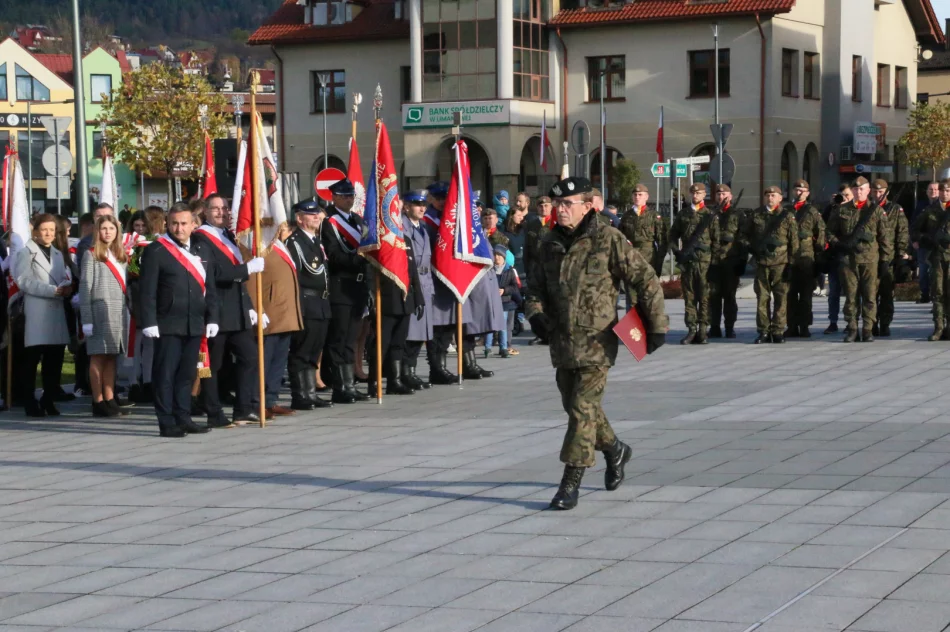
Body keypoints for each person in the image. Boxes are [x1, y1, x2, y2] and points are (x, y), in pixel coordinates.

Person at [526, 176, 668, 511]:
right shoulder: (549, 244)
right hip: (561, 342)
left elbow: (645, 278)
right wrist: (535, 314)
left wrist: (656, 324)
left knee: (581, 410)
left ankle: (570, 483)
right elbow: (535, 288)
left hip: (597, 341)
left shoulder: (608, 239)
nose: (560, 210)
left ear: (588, 206)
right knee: (578, 407)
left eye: (567, 204)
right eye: (557, 204)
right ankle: (615, 449)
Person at [139, 203, 219, 437]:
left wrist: (212, 317)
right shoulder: (156, 250)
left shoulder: (202, 249)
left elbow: (209, 287)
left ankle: (183, 417)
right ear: (167, 223)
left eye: (184, 223)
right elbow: (147, 290)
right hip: (167, 323)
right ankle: (166, 421)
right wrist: (149, 321)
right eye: (174, 223)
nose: (179, 228)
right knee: (165, 374)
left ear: (194, 224)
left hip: (194, 322)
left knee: (186, 374)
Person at [194, 194, 266, 426]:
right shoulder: (201, 239)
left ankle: (243, 408)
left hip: (237, 311)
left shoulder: (227, 236)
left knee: (250, 357)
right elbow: (213, 276)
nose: (221, 213)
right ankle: (212, 410)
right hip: (215, 313)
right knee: (209, 366)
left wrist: (251, 307)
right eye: (216, 209)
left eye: (225, 209)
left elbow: (236, 280)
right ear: (205, 211)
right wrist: (247, 268)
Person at [366, 199, 425, 397]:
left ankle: (395, 381)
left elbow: (412, 272)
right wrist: (372, 298)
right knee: (381, 343)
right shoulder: (378, 242)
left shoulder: (405, 241)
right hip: (386, 300)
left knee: (399, 343)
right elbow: (370, 273)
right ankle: (373, 382)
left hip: (404, 299)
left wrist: (419, 298)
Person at [16, 214, 72, 417]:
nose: (48, 234)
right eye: (44, 230)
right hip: (37, 311)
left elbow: (64, 276)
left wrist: (67, 287)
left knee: (54, 359)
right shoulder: (26, 253)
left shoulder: (58, 253)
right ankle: (29, 401)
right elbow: (23, 281)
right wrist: (52, 290)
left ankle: (49, 398)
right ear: (35, 231)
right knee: (32, 360)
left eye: (52, 230)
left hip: (56, 311)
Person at [247, 222, 305, 417]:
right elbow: (252, 279)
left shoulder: (280, 244)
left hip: (284, 312)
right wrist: (257, 308)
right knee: (263, 359)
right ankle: (257, 401)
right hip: (269, 311)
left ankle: (270, 399)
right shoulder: (256, 244)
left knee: (278, 360)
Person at [322, 178, 370, 403]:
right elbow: (332, 255)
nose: (349, 199)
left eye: (351, 196)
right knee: (339, 339)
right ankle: (340, 386)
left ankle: (349, 383)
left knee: (351, 337)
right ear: (335, 197)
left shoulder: (357, 220)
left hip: (358, 287)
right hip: (341, 286)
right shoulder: (328, 222)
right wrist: (358, 258)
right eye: (345, 196)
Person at [826, 176, 890, 343]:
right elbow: (828, 232)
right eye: (856, 189)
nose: (859, 192)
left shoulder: (876, 211)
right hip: (849, 260)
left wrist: (885, 260)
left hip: (870, 260)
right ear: (852, 191)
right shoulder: (841, 210)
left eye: (862, 189)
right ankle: (852, 328)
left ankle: (868, 329)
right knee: (851, 296)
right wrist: (838, 244)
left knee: (869, 296)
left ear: (868, 191)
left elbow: (885, 238)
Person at [79, 215, 130, 417]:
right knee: (98, 356)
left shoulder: (121, 255)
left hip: (118, 312)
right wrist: (86, 319)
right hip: (99, 311)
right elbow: (85, 288)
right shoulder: (91, 255)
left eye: (111, 228)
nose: (108, 232)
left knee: (112, 357)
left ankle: (110, 398)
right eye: (103, 228)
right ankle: (97, 400)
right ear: (97, 231)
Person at [285, 200, 334, 409]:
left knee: (315, 350)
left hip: (321, 302)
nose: (317, 217)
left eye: (318, 214)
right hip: (307, 302)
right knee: (302, 350)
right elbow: (296, 275)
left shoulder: (316, 241)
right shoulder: (294, 242)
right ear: (299, 218)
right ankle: (300, 394)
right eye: (311, 214)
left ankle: (310, 392)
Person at [422, 181, 471, 384]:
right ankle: (436, 367)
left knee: (449, 324)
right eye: (439, 198)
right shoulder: (428, 221)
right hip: (435, 277)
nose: (443, 202)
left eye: (445, 198)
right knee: (436, 327)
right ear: (430, 199)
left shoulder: (449, 218)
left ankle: (444, 366)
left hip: (451, 279)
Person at [742, 186, 799, 344]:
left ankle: (778, 330)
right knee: (762, 299)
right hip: (762, 262)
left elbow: (794, 242)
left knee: (781, 299)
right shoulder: (756, 214)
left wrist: (791, 264)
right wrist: (751, 248)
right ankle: (764, 331)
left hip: (781, 263)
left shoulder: (787, 216)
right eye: (767, 195)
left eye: (773, 195)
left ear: (780, 198)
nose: (770, 198)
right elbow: (743, 235)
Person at [669, 183, 720, 344]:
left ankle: (703, 330)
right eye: (694, 193)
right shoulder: (683, 214)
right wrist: (677, 253)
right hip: (689, 263)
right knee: (689, 298)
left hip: (705, 263)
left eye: (699, 193)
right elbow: (671, 236)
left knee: (704, 298)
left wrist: (714, 264)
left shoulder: (710, 215)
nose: (696, 195)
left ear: (704, 194)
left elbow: (716, 242)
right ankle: (691, 329)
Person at [127, 206, 165, 404]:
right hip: (134, 295)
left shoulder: (154, 243)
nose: (140, 229)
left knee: (149, 342)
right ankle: (133, 382)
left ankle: (148, 381)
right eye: (136, 225)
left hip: (151, 296)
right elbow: (132, 270)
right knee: (135, 342)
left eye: (143, 225)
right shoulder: (129, 243)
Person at [401, 190, 435, 391]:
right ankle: (406, 372)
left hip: (425, 283)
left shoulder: (422, 227)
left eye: (424, 205)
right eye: (417, 204)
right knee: (410, 333)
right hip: (411, 283)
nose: (422, 208)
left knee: (420, 332)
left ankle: (411, 371)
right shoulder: (402, 228)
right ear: (406, 207)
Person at [785, 179, 824, 338]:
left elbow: (820, 234)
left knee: (806, 295)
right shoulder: (787, 210)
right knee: (790, 294)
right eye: (797, 190)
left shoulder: (812, 212)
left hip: (807, 258)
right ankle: (792, 325)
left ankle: (805, 325)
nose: (799, 193)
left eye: (803, 190)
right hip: (789, 258)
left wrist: (819, 257)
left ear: (807, 193)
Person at [911, 179, 950, 340]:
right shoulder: (929, 211)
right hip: (936, 257)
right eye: (942, 191)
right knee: (938, 292)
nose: (945, 194)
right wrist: (927, 239)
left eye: (948, 191)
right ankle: (939, 327)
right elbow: (914, 230)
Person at [619, 184, 668, 311]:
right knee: (632, 296)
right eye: (635, 195)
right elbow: (620, 240)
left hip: (649, 258)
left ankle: (649, 327)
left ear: (646, 197)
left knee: (648, 294)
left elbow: (662, 241)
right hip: (631, 257)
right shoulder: (627, 216)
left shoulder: (653, 216)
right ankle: (633, 328)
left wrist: (659, 263)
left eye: (640, 195)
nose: (637, 197)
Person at [870, 179, 908, 337]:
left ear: (886, 192)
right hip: (870, 257)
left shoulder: (895, 209)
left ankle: (885, 323)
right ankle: (871, 324)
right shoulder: (867, 208)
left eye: (881, 191)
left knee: (886, 293)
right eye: (875, 191)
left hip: (888, 258)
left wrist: (901, 254)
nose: (878, 194)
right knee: (870, 294)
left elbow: (902, 232)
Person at [706, 184, 743, 338]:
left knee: (729, 296)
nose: (721, 197)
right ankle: (714, 326)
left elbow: (743, 238)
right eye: (719, 194)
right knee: (713, 296)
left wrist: (742, 260)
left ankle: (729, 327)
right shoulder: (709, 214)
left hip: (730, 261)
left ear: (730, 196)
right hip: (713, 261)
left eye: (724, 194)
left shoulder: (738, 215)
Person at [524, 196, 555, 346]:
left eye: (546, 205)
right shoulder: (531, 224)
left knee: (550, 302)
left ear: (551, 207)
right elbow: (527, 250)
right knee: (534, 303)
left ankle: (551, 333)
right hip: (535, 269)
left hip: (551, 268)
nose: (543, 208)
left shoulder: (556, 223)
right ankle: (539, 333)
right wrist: (527, 269)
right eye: (541, 206)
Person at [823, 183, 853, 334]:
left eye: (848, 195)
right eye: (843, 195)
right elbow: (824, 228)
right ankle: (833, 321)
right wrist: (832, 206)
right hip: (835, 256)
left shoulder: (856, 211)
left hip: (850, 258)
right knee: (834, 291)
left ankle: (850, 321)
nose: (845, 198)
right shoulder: (832, 209)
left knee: (850, 291)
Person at [484, 244, 521, 358]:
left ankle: (503, 348)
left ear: (504, 257)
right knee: (490, 325)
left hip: (505, 302)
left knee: (502, 326)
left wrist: (504, 290)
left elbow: (515, 287)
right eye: (495, 255)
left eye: (499, 255)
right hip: (491, 302)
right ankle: (487, 348)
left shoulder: (509, 271)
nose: (497, 258)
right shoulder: (489, 270)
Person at [913, 181, 940, 304]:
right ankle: (925, 295)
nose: (933, 191)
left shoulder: (944, 206)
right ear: (926, 192)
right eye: (931, 189)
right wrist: (914, 240)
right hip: (923, 244)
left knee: (937, 273)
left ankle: (937, 299)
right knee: (923, 272)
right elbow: (913, 224)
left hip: (938, 246)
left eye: (935, 189)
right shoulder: (921, 205)